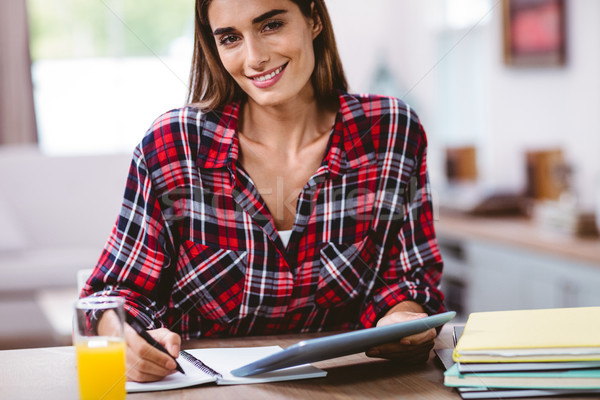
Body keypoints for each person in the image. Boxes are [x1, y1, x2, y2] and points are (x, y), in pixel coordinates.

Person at [82, 0, 446, 383]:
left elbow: (409, 277)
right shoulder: (175, 145)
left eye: (271, 25)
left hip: (350, 389)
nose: (254, 58)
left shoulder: (391, 133)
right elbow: (111, 295)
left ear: (314, 19)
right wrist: (121, 336)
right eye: (230, 38)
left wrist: (403, 317)